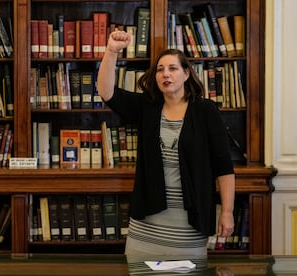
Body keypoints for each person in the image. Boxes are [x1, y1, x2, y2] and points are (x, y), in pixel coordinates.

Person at [97, 30, 235, 256]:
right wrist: (112, 50)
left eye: (172, 68)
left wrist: (227, 211)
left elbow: (224, 167)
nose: (165, 74)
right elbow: (107, 92)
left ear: (186, 74)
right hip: (147, 223)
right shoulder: (147, 106)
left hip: (189, 222)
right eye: (160, 69)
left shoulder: (205, 111)